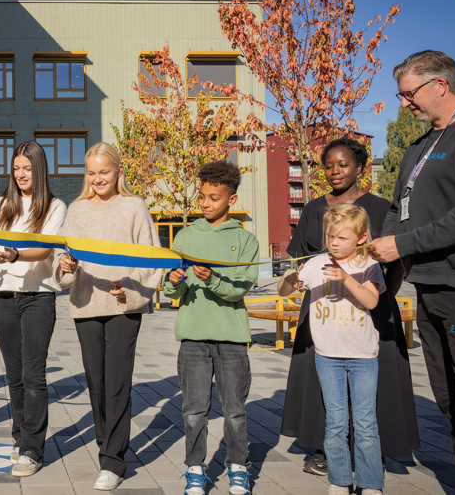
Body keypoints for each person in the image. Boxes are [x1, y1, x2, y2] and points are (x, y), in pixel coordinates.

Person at [371, 50, 455, 495]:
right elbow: (398, 210)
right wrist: (385, 254)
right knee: (450, 402)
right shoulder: (418, 147)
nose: (404, 103)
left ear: (440, 85)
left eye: (409, 93)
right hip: (428, 286)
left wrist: (404, 244)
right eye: (401, 95)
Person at [281, 137, 419, 474]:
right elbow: (296, 261)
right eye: (328, 165)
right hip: (323, 308)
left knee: (373, 381)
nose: (334, 171)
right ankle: (324, 451)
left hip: (370, 307)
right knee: (323, 381)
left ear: (360, 167)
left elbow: (398, 259)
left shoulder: (382, 208)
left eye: (342, 164)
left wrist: (382, 296)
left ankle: (370, 450)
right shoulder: (313, 209)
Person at [56, 142, 161, 491]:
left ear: (118, 171)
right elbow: (64, 263)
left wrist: (130, 293)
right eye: (91, 173)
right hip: (86, 306)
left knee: (116, 383)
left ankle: (113, 460)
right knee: (97, 384)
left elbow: (153, 258)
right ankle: (106, 446)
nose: (98, 179)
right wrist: (66, 266)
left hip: (121, 307)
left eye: (104, 172)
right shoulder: (76, 210)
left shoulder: (134, 207)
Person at [0, 141, 67, 477]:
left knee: (33, 374)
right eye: (17, 168)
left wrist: (16, 254)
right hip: (3, 295)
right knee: (14, 374)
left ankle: (32, 451)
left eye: (28, 168)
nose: (22, 174)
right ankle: (20, 437)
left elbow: (45, 249)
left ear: (40, 170)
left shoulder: (54, 207)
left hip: (38, 295)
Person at [162, 161, 259, 495]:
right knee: (193, 411)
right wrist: (173, 280)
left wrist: (213, 278)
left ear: (231, 200)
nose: (204, 203)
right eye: (202, 196)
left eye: (213, 197)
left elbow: (238, 288)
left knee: (234, 412)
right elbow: (172, 291)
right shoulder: (186, 236)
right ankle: (194, 469)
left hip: (232, 340)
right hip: (192, 339)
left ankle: (237, 468)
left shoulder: (246, 240)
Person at [280, 204, 386, 495]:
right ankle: (339, 481)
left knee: (365, 424)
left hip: (364, 356)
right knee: (335, 423)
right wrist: (291, 280)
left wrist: (345, 278)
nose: (334, 242)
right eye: (330, 236)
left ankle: (371, 484)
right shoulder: (316, 263)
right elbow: (284, 291)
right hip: (328, 356)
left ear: (361, 238)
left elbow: (372, 301)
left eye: (341, 237)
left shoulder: (368, 265)